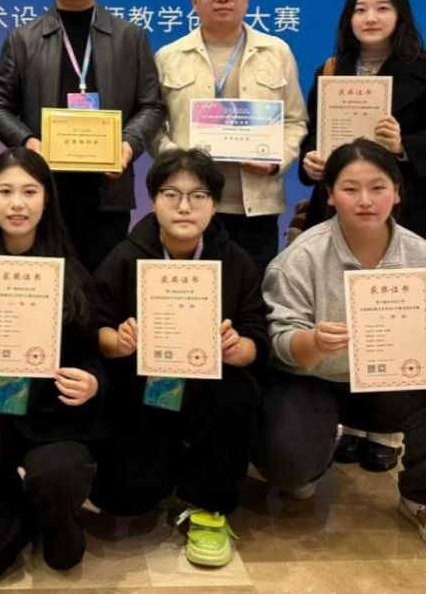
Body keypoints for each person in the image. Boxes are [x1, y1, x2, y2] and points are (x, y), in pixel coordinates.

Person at [255, 139, 426, 553]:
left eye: (378, 188)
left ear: (397, 192)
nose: (365, 201)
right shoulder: (301, 258)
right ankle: (303, 467)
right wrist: (312, 342)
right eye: (350, 189)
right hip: (313, 382)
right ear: (330, 195)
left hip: (388, 385)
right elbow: (278, 341)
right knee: (291, 466)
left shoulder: (421, 254)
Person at [298, 0, 426, 472]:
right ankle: (354, 424)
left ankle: (388, 429)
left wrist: (404, 147)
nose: (370, 18)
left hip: (402, 207)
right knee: (342, 310)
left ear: (400, 15)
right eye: (360, 9)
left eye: (381, 8)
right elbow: (311, 136)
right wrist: (311, 162)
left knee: (395, 312)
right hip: (338, 208)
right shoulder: (331, 70)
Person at [90, 148, 267, 568]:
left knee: (238, 393)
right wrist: (118, 341)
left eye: (198, 196)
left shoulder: (235, 260)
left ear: (214, 204)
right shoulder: (126, 256)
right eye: (171, 194)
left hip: (211, 392)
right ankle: (169, 471)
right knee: (122, 499)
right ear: (154, 200)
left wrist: (240, 348)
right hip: (144, 391)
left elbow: (256, 332)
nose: (184, 207)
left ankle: (210, 506)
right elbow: (96, 325)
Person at [0, 147, 105, 581]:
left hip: (50, 420)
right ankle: (25, 505)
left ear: (46, 200)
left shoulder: (71, 271)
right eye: (5, 191)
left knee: (59, 475)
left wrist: (92, 381)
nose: (17, 204)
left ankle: (57, 512)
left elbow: (91, 355)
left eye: (29, 192)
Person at [0, 0, 165, 274]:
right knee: (46, 283)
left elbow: (152, 105)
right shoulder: (23, 39)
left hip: (108, 190)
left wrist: (127, 146)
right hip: (44, 189)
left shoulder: (130, 38)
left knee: (101, 285)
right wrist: (29, 143)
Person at [154, 0, 308, 277]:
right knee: (191, 295)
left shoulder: (277, 52)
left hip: (256, 208)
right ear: (195, 0)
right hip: (189, 206)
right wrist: (181, 162)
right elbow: (153, 125)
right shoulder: (169, 56)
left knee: (251, 297)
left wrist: (276, 162)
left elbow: (295, 121)